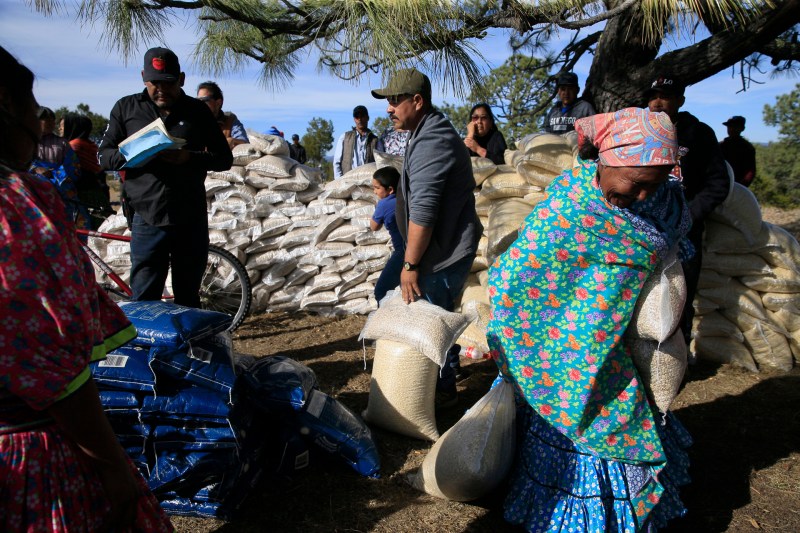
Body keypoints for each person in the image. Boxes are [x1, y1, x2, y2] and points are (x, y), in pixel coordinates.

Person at [487, 107, 693, 532]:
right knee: (588, 403)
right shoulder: (571, 206)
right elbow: (516, 274)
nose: (640, 197)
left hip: (624, 334)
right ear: (604, 159)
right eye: (633, 185)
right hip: (562, 341)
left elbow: (672, 242)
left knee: (623, 401)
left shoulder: (664, 200)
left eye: (650, 187)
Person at [0, 44, 173, 533]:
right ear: (6, 105)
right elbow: (49, 363)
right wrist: (112, 464)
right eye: (35, 111)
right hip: (29, 458)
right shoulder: (18, 210)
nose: (40, 126)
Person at [371, 68, 481, 407]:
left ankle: (441, 389)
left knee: (434, 317)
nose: (388, 108)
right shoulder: (424, 132)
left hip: (441, 251)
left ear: (417, 101)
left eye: (394, 100)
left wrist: (411, 263)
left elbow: (424, 212)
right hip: (424, 246)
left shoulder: (433, 141)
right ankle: (418, 377)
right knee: (385, 292)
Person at [98, 47, 233, 308]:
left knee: (188, 298)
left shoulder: (197, 111)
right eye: (154, 82)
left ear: (181, 79)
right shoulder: (126, 108)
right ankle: (151, 349)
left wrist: (189, 158)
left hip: (189, 218)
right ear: (143, 78)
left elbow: (224, 159)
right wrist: (136, 154)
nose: (161, 89)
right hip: (147, 217)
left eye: (168, 83)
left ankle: (187, 349)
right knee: (145, 298)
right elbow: (104, 156)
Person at [646, 75, 729, 348]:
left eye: (665, 97)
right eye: (653, 96)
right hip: (643, 232)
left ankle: (676, 367)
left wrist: (687, 218)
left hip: (685, 235)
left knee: (679, 299)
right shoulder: (639, 131)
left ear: (679, 100)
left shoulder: (699, 134)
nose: (658, 103)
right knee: (642, 299)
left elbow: (717, 184)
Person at [61, 113, 113, 226]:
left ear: (72, 126)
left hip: (83, 193)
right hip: (97, 189)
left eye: (62, 126)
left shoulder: (74, 145)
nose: (60, 128)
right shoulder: (91, 144)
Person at [370, 166, 404, 303]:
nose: (374, 191)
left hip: (402, 252)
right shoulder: (404, 198)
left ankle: (385, 320)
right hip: (414, 248)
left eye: (377, 188)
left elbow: (374, 226)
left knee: (381, 290)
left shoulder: (384, 204)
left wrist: (379, 208)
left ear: (390, 189)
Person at [196, 81, 249, 149]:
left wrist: (232, 140)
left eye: (205, 100)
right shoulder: (192, 121)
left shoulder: (230, 120)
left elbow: (245, 143)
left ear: (218, 103)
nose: (200, 104)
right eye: (197, 100)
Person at [333, 105, 378, 179]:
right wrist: (339, 181)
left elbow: (379, 163)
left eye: (362, 116)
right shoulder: (344, 137)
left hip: (367, 181)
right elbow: (337, 162)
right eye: (357, 117)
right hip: (347, 181)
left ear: (367, 118)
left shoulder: (375, 140)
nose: (359, 119)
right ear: (354, 119)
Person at [720, 115, 756, 187]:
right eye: (729, 126)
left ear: (742, 129)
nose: (731, 129)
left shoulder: (747, 148)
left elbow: (751, 171)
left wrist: (741, 186)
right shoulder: (720, 146)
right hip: (719, 185)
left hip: (737, 186)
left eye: (735, 126)